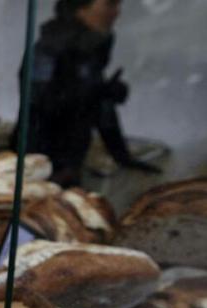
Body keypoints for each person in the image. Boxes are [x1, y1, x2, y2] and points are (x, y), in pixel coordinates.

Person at [12, 0, 161, 187]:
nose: (116, 13)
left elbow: (100, 108)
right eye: (109, 5)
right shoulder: (51, 46)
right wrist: (95, 92)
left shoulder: (91, 47)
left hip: (68, 165)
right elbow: (38, 101)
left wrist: (121, 155)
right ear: (81, 9)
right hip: (35, 165)